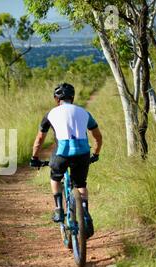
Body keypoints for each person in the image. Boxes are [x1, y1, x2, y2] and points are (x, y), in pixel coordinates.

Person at [30, 83, 103, 238]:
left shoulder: (50, 114)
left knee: (55, 176)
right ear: (73, 97)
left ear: (57, 99)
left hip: (62, 154)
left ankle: (58, 209)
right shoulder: (84, 112)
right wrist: (95, 154)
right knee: (81, 184)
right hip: (82, 153)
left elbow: (39, 139)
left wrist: (34, 158)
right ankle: (85, 212)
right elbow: (98, 136)